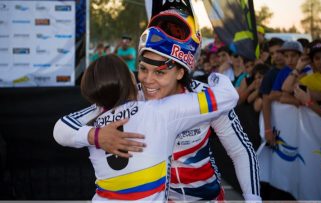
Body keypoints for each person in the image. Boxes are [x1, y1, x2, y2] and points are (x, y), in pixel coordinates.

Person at [53, 8, 261, 202]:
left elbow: (241, 151)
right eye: (143, 69)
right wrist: (95, 136)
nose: (148, 80)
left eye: (160, 72)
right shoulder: (129, 95)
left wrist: (253, 199)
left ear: (180, 72)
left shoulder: (204, 95)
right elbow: (63, 128)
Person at [54, 53, 238, 202]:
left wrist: (95, 136)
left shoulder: (94, 120)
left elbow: (59, 130)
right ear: (129, 80)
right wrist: (216, 77)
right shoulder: (161, 111)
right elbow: (229, 96)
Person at [259, 37, 285, 145]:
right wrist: (268, 129)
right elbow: (265, 103)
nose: (276, 56)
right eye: (272, 53)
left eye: (279, 51)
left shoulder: (297, 70)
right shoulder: (270, 75)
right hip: (279, 124)